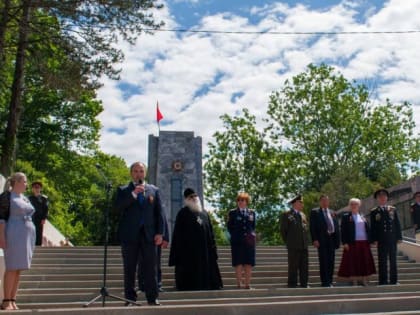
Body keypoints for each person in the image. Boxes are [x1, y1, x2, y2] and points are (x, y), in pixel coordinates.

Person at [115, 162, 164, 306]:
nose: (139, 174)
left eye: (141, 171)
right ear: (131, 173)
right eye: (135, 171)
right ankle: (130, 298)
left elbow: (159, 214)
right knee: (130, 268)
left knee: (151, 267)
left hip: (149, 235)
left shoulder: (154, 190)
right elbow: (117, 208)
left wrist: (160, 233)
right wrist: (133, 194)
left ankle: (152, 297)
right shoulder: (123, 190)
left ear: (145, 173)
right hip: (130, 235)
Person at [169, 188, 223, 291]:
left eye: (195, 196)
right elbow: (177, 235)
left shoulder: (205, 214)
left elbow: (210, 233)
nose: (194, 198)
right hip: (189, 252)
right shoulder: (182, 214)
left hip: (205, 251)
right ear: (186, 199)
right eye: (191, 197)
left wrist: (213, 248)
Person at [0, 172, 36, 310]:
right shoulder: (7, 196)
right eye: (25, 181)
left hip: (26, 236)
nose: (27, 184)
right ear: (17, 182)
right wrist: (1, 236)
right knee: (11, 267)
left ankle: (13, 299)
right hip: (13, 233)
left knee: (19, 268)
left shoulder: (25, 198)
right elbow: (1, 218)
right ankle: (6, 300)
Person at [337, 198, 376, 285]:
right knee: (353, 262)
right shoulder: (346, 216)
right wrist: (345, 242)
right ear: (350, 206)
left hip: (364, 242)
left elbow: (368, 229)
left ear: (359, 205)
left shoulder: (362, 216)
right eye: (352, 204)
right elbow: (343, 231)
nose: (354, 206)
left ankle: (364, 280)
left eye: (356, 204)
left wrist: (371, 241)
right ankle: (354, 280)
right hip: (352, 242)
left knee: (364, 261)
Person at [370, 189, 402, 285]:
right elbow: (373, 227)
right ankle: (383, 281)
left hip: (392, 239)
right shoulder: (374, 211)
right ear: (377, 199)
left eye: (384, 196)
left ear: (387, 198)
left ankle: (394, 280)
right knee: (382, 261)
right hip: (381, 240)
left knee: (393, 261)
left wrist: (399, 237)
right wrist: (374, 239)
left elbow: (397, 224)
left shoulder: (392, 209)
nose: (382, 198)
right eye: (380, 197)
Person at [227, 192, 256, 289]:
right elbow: (229, 227)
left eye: (242, 200)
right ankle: (239, 284)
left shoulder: (252, 213)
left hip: (249, 242)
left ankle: (247, 284)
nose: (240, 202)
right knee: (238, 262)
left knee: (248, 263)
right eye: (238, 200)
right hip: (237, 241)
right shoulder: (233, 213)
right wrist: (236, 236)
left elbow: (253, 226)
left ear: (246, 202)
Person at [310, 195, 340, 287]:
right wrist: (315, 239)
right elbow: (312, 227)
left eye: (326, 200)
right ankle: (325, 282)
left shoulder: (332, 212)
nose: (325, 202)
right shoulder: (315, 212)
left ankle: (330, 281)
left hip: (332, 240)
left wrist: (337, 240)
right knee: (323, 261)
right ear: (320, 202)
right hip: (321, 240)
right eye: (323, 200)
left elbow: (336, 227)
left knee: (331, 261)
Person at [280, 195, 309, 288]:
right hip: (293, 245)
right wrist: (289, 242)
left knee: (304, 266)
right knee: (293, 266)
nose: (302, 204)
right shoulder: (287, 214)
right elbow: (283, 230)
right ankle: (292, 284)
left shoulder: (303, 215)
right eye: (301, 202)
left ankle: (304, 283)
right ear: (295, 203)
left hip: (304, 245)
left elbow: (305, 230)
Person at [28, 181, 49, 246]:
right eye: (35, 187)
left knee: (38, 233)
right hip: (31, 218)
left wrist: (44, 218)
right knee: (30, 232)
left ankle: (38, 246)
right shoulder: (29, 198)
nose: (36, 189)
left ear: (40, 189)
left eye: (38, 187)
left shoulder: (44, 198)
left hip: (39, 219)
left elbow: (46, 209)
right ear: (32, 189)